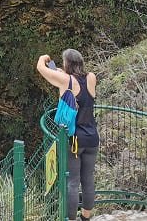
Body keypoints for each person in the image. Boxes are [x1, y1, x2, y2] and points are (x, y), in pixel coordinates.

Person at [37, 49, 99, 221]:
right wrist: (61, 72)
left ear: (67, 64)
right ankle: (86, 217)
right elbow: (72, 79)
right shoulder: (91, 77)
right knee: (88, 179)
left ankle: (70, 219)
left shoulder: (65, 81)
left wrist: (43, 58)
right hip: (92, 137)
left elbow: (41, 69)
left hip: (74, 140)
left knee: (72, 181)